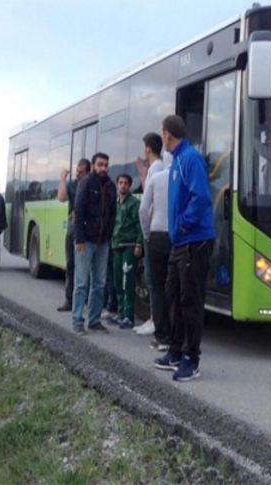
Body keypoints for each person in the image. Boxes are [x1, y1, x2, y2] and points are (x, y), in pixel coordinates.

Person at [154, 115, 216, 382]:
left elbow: (201, 197)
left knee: (190, 301)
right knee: (173, 296)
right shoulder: (177, 159)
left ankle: (192, 359)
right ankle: (176, 351)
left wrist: (181, 225)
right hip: (180, 242)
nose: (162, 138)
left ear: (167, 134)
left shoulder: (190, 158)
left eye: (162, 134)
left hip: (194, 240)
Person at [72, 152, 116, 335]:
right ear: (93, 165)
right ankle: (77, 321)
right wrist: (79, 239)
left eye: (106, 165)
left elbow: (113, 214)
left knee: (99, 283)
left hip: (103, 242)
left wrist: (109, 235)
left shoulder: (111, 186)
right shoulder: (86, 184)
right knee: (82, 283)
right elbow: (78, 213)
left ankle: (94, 320)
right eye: (100, 164)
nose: (103, 168)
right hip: (86, 241)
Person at [133, 132, 165, 335]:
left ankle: (155, 319)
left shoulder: (156, 168)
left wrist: (146, 233)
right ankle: (154, 318)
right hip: (156, 227)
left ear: (147, 149)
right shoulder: (158, 167)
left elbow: (147, 203)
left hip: (153, 229)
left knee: (153, 277)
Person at [139, 146, 171, 350]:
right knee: (174, 288)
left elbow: (143, 210)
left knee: (157, 288)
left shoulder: (156, 178)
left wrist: (147, 235)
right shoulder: (181, 178)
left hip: (157, 236)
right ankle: (177, 335)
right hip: (177, 238)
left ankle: (161, 337)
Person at [56, 158, 90, 312]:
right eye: (77, 172)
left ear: (88, 172)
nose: (78, 174)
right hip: (73, 230)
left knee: (88, 267)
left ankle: (88, 302)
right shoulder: (73, 185)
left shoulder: (92, 184)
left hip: (89, 231)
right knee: (71, 265)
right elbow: (62, 198)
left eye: (81, 172)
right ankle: (69, 301)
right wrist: (62, 179)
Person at [111, 173, 143, 329]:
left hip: (129, 246)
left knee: (127, 281)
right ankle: (120, 313)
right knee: (118, 281)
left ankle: (129, 316)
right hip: (116, 245)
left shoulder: (134, 203)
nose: (122, 185)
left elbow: (139, 225)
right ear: (117, 185)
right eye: (120, 182)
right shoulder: (115, 203)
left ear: (129, 186)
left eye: (125, 183)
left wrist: (139, 244)